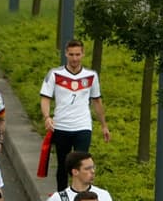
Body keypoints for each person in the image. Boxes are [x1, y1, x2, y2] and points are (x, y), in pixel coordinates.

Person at [39, 40, 110, 190]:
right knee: (63, 165)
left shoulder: (91, 76)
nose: (74, 58)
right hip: (61, 126)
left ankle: (81, 197)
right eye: (71, 54)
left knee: (82, 164)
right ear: (66, 54)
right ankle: (62, 199)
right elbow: (45, 98)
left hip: (82, 126)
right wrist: (47, 117)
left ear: (83, 54)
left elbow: (97, 101)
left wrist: (104, 125)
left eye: (78, 54)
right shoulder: (55, 74)